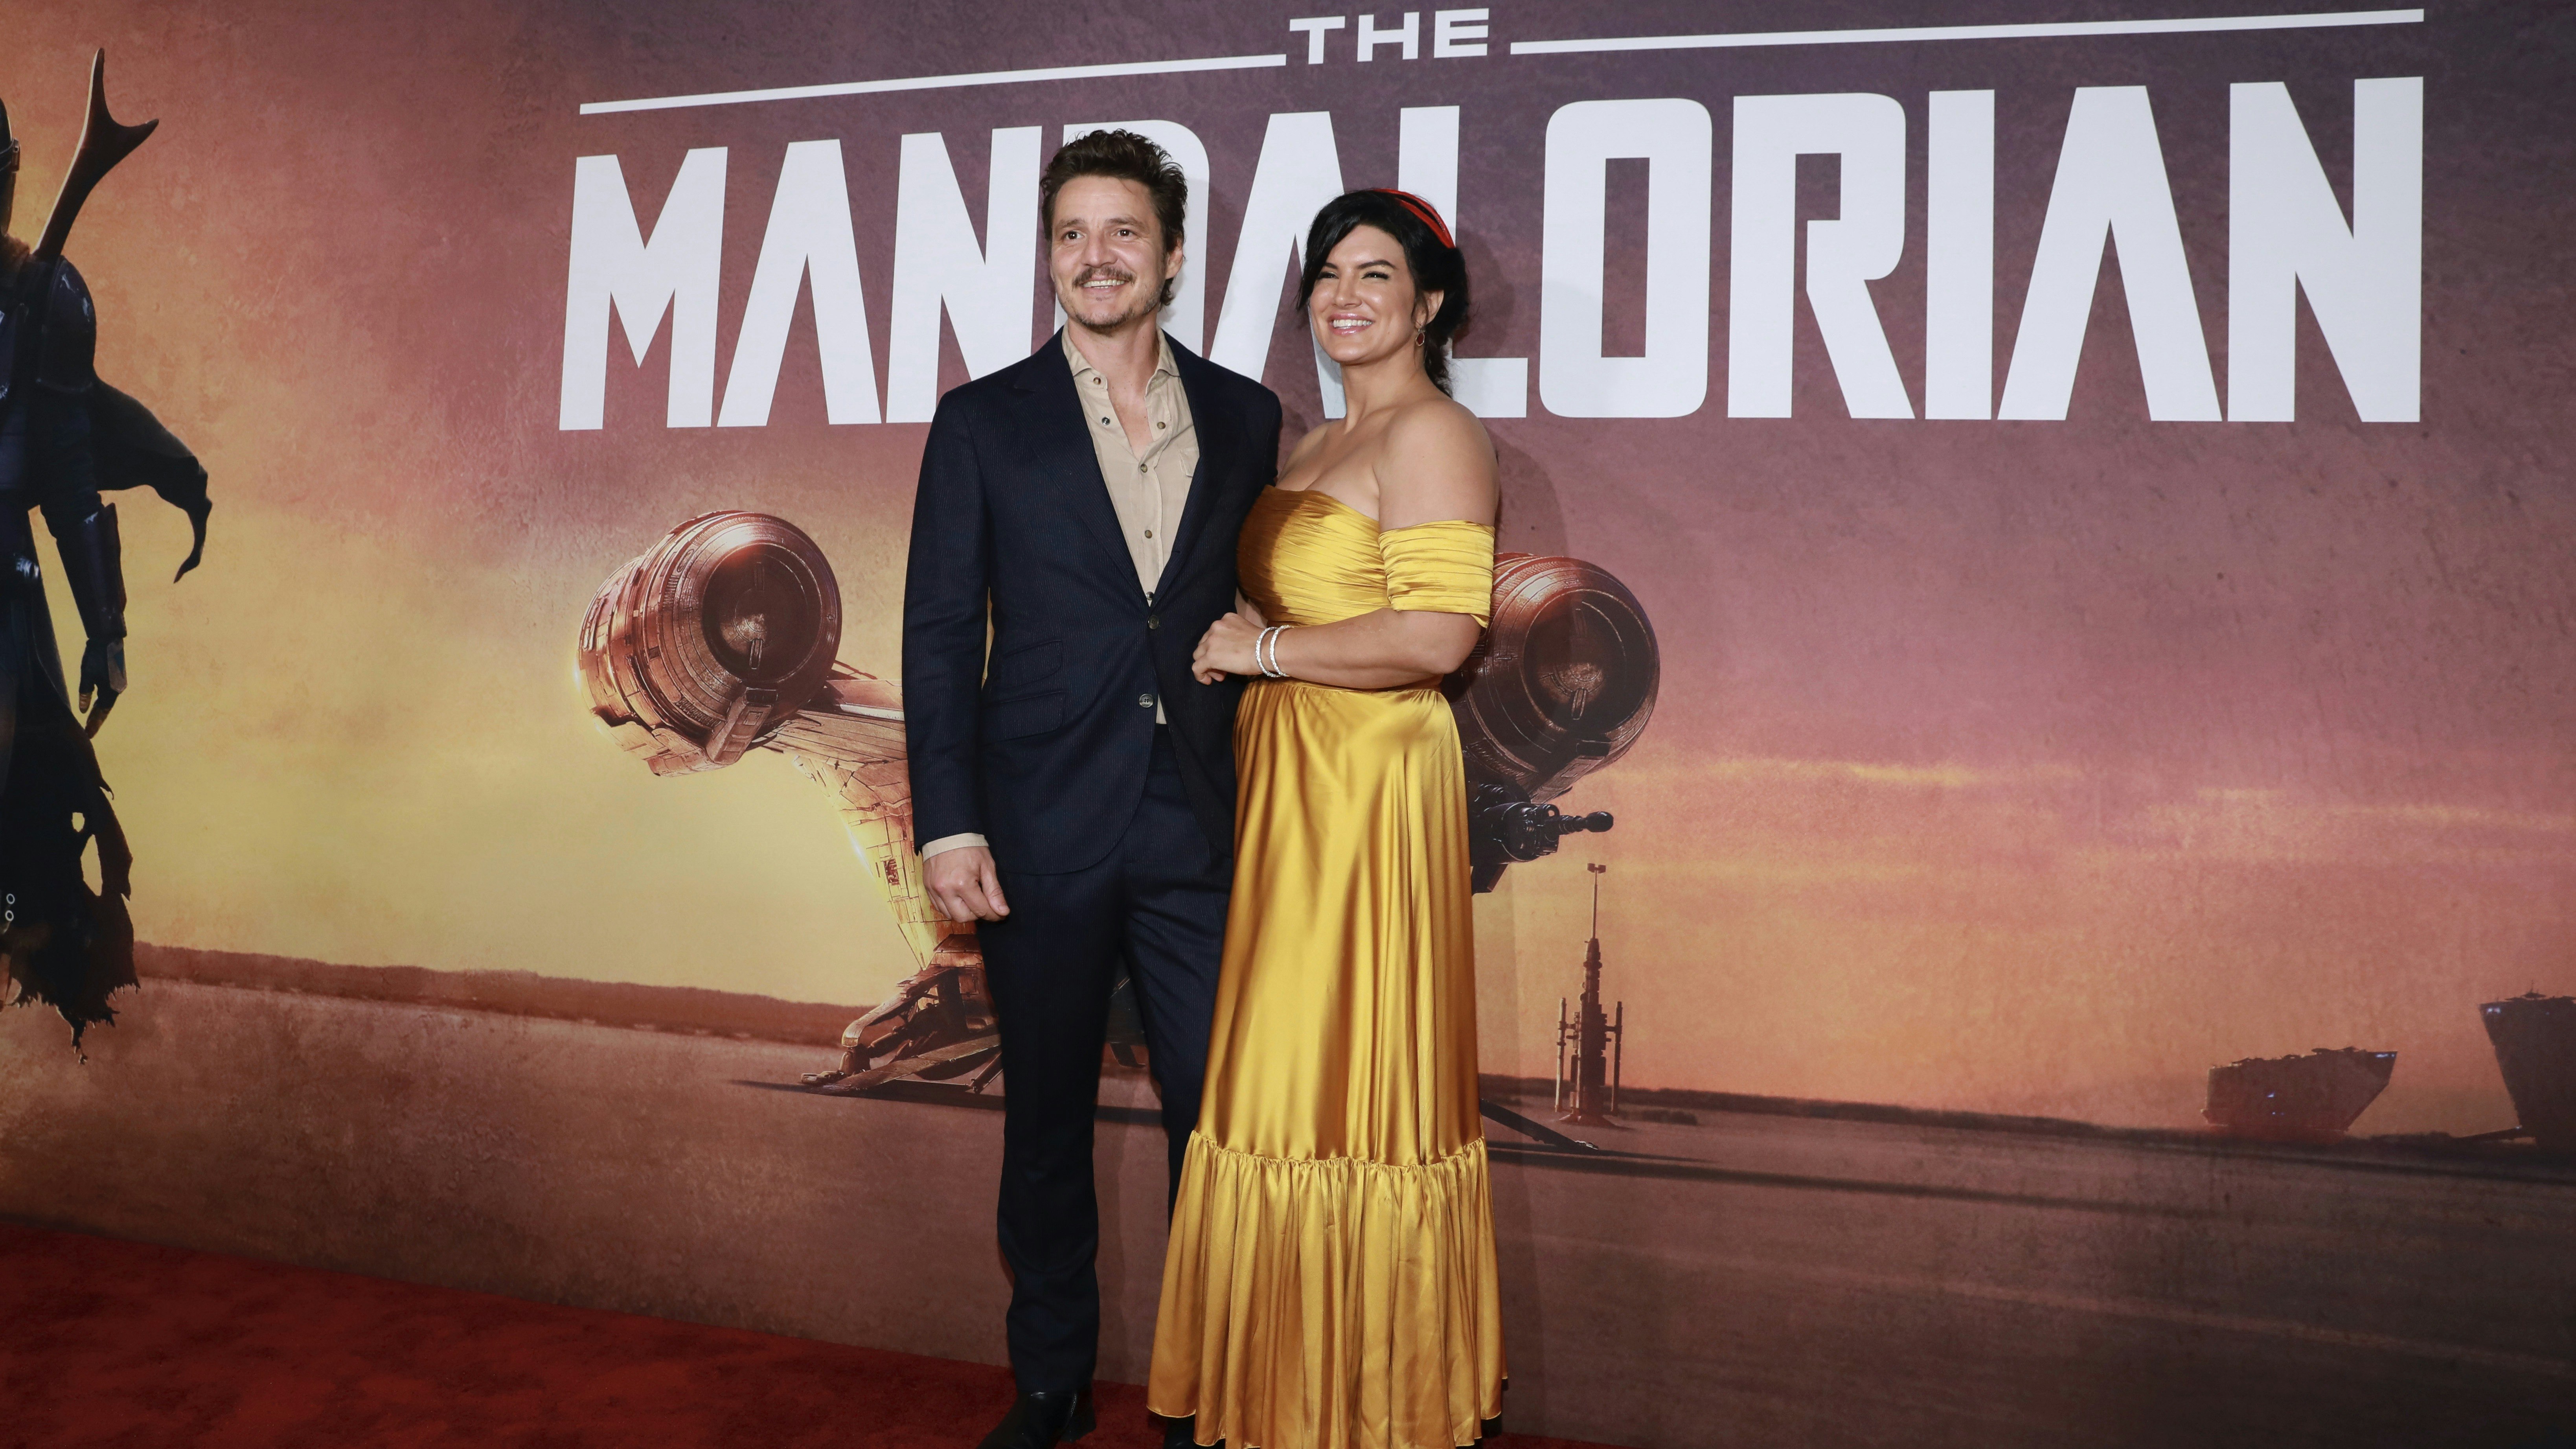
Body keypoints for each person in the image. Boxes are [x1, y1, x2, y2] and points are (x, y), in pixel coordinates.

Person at [901, 129, 1282, 1449]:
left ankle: (1202, 1387)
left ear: (1171, 256)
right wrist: (946, 820)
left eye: (1122, 232)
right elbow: (943, 633)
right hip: (1038, 824)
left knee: (1214, 1128)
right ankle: (1051, 1382)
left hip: (1198, 820)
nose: (1094, 256)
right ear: (1048, 256)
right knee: (1048, 1125)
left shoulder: (1246, 415)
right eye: (1071, 234)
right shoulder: (982, 419)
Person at [1151, 189, 1504, 1449]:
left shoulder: (1434, 433)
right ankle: (1279, 1386)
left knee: (1340, 1079)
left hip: (1366, 788)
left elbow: (1438, 636)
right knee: (1276, 1083)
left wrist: (1268, 648)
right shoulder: (1303, 447)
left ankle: (1362, 1401)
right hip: (1290, 780)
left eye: (1375, 274)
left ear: (1431, 302)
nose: (1344, 296)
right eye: (1326, 276)